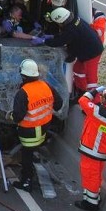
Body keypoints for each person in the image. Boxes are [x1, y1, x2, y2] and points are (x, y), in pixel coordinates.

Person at [9, 59, 63, 192]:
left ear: (23, 76)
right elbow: (59, 104)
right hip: (44, 127)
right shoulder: (46, 86)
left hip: (29, 130)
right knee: (32, 150)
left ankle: (26, 181)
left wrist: (10, 115)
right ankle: (30, 172)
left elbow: (18, 117)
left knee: (26, 155)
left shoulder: (23, 93)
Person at [74, 87, 106, 211]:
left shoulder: (97, 111)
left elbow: (82, 100)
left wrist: (95, 90)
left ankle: (91, 204)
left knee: (90, 175)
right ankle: (94, 197)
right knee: (96, 176)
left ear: (104, 100)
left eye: (102, 96)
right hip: (104, 151)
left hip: (92, 150)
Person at [37, 7, 103, 98]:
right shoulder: (75, 19)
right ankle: (82, 92)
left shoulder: (71, 30)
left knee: (91, 80)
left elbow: (59, 42)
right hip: (86, 50)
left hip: (92, 53)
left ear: (61, 21)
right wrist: (53, 36)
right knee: (78, 70)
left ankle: (95, 101)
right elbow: (70, 39)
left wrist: (44, 41)